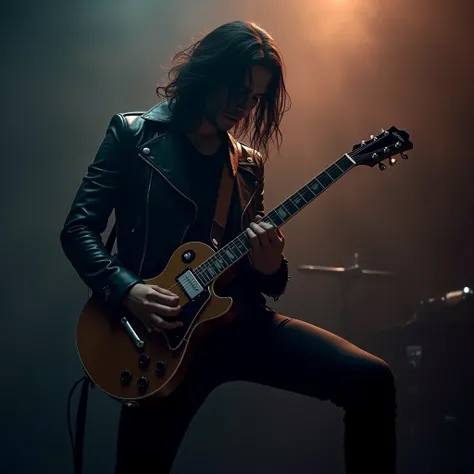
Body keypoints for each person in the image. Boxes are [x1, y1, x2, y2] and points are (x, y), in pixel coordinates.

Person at [60, 20, 396, 474]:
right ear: (208, 71)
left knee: (372, 380)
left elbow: (258, 273)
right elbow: (78, 229)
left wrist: (270, 264)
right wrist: (126, 290)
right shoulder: (133, 136)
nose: (243, 106)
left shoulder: (248, 165)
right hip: (159, 338)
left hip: (235, 323)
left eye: (255, 97)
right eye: (236, 89)